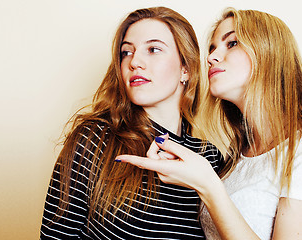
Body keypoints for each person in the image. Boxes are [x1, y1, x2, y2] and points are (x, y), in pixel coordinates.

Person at [117, 8, 302, 240]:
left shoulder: (296, 154)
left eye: (232, 43)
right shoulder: (234, 160)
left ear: (270, 51)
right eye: (213, 48)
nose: (211, 57)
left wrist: (208, 185)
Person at [40, 6, 224, 239]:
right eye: (126, 52)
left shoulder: (209, 157)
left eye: (153, 49)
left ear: (185, 69)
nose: (135, 62)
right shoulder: (95, 139)